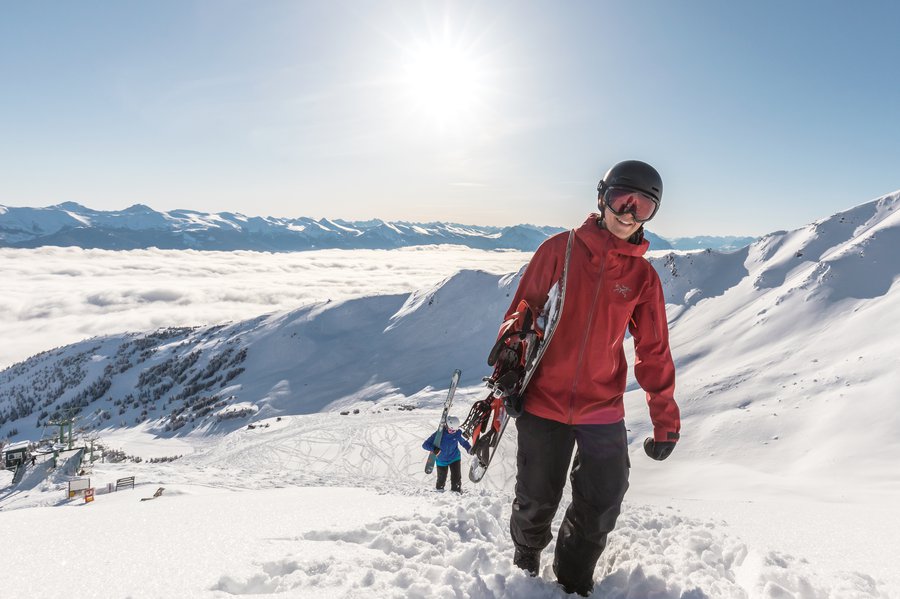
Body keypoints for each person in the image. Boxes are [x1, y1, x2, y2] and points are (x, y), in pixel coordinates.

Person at [503, 160, 681, 595]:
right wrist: (507, 371)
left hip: (602, 407)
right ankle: (526, 558)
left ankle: (573, 580)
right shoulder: (558, 250)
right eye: (623, 199)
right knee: (536, 499)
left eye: (644, 206)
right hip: (542, 400)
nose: (629, 213)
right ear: (602, 196)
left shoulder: (643, 277)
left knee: (602, 500)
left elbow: (653, 349)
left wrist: (665, 422)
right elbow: (521, 313)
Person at [422, 416, 472, 493]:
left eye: (454, 430)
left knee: (456, 479)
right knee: (441, 481)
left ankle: (456, 493)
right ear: (446, 426)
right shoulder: (439, 434)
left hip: (454, 458)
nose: (453, 432)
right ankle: (440, 494)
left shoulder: (458, 433)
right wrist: (434, 449)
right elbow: (425, 445)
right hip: (441, 460)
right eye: (451, 430)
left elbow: (464, 442)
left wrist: (469, 449)